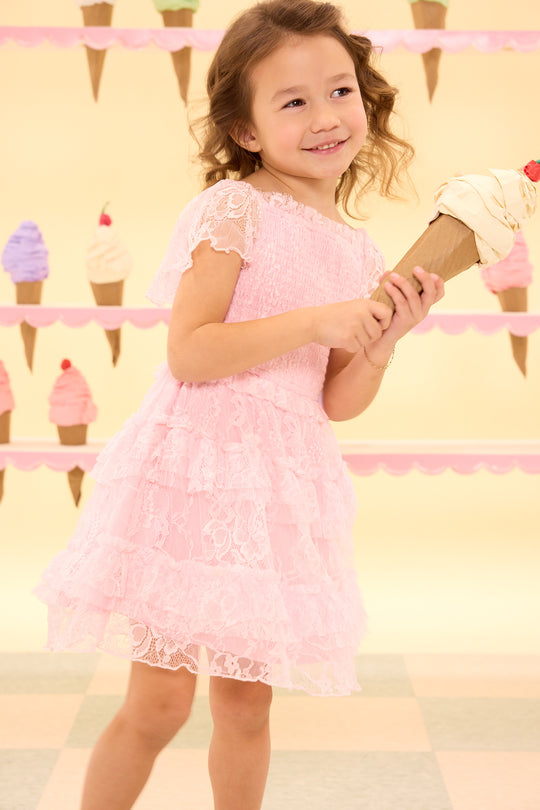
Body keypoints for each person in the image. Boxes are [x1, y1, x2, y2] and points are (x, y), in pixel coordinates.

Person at [36, 1, 444, 808]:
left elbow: (335, 400)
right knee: (157, 703)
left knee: (246, 705)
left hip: (276, 488)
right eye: (293, 102)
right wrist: (317, 319)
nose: (326, 117)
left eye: (340, 91)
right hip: (195, 470)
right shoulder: (235, 209)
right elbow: (191, 351)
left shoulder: (357, 249)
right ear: (247, 129)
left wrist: (380, 340)